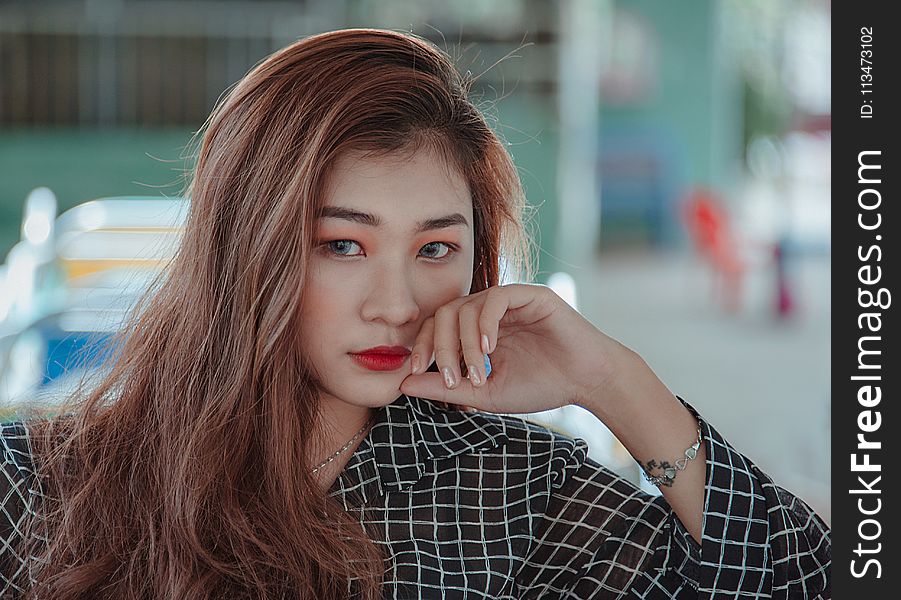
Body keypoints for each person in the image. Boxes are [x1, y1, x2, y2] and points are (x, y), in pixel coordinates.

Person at [0, 28, 830, 599]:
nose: (396, 305)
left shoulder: (519, 494)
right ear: (243, 249)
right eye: (341, 245)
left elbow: (804, 580)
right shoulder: (44, 481)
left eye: (434, 250)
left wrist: (614, 382)